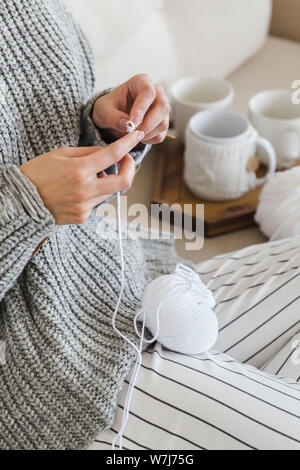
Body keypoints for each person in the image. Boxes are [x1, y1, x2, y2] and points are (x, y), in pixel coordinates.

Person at [0, 0, 299, 450]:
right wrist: (27, 200)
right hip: (44, 365)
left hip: (115, 279)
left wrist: (102, 122)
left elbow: (36, 138)